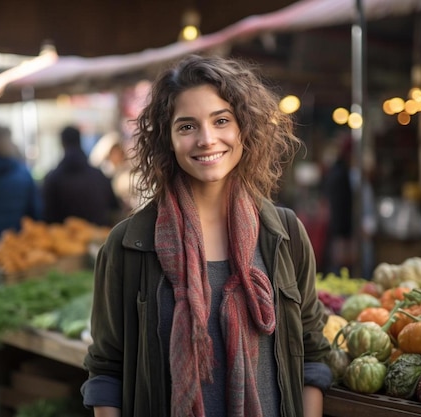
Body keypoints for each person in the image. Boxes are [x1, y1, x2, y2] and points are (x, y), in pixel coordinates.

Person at [81, 55, 332, 417]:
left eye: (221, 121)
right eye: (187, 126)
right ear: (167, 139)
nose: (207, 139)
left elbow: (312, 355)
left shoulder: (286, 234)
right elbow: (106, 370)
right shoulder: (129, 244)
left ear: (244, 128)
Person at [42, 126, 121, 226]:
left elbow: (47, 217)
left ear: (62, 143)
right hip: (100, 238)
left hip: (64, 239)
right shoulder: (99, 176)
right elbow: (114, 209)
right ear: (80, 141)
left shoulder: (53, 178)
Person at [322, 133, 354, 275]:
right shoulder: (341, 175)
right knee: (339, 265)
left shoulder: (340, 172)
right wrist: (342, 232)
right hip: (340, 229)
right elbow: (340, 205)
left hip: (338, 228)